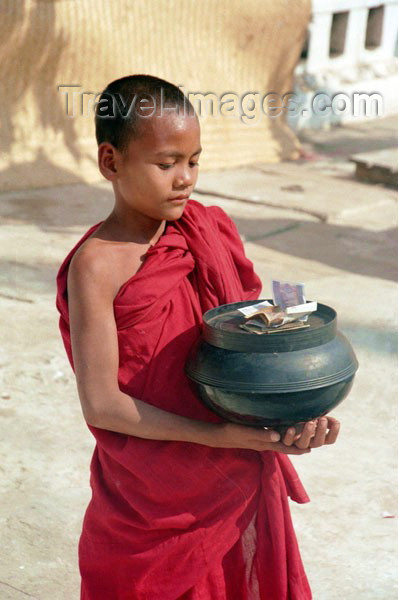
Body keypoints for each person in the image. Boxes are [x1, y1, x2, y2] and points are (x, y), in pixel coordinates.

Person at [56, 75, 340, 600]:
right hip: (154, 491)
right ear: (110, 162)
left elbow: (254, 333)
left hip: (235, 471)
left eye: (194, 160)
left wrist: (300, 406)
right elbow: (102, 405)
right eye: (166, 163)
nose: (185, 178)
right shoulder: (97, 267)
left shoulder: (209, 228)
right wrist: (220, 437)